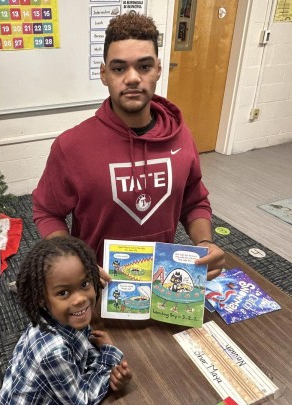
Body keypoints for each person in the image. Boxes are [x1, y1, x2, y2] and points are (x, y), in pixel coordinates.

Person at [32, 12, 224, 280]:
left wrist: (204, 242)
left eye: (144, 66)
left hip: (161, 280)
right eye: (119, 68)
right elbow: (47, 211)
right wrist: (75, 261)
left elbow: (194, 201)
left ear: (158, 69)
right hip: (97, 284)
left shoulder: (180, 137)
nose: (133, 78)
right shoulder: (71, 146)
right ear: (104, 74)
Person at [0, 237, 132, 404]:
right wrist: (110, 358)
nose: (79, 299)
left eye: (84, 284)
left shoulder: (62, 316)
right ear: (41, 299)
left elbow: (80, 349)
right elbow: (82, 400)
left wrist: (103, 357)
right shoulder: (54, 350)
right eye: (63, 293)